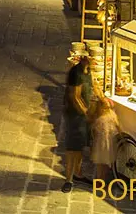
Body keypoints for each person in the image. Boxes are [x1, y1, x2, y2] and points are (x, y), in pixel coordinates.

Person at [62, 55, 93, 192]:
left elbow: (94, 85)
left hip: (82, 116)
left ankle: (78, 173)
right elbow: (74, 96)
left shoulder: (88, 71)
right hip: (75, 116)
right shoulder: (76, 73)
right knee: (72, 148)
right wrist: (85, 112)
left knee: (79, 147)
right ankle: (68, 179)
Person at [88, 92, 120, 181]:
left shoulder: (99, 119)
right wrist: (121, 136)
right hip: (108, 143)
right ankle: (102, 179)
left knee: (100, 164)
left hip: (100, 144)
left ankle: (99, 179)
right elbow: (118, 126)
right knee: (105, 163)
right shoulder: (112, 116)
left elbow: (93, 132)